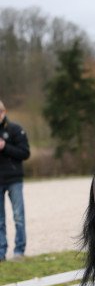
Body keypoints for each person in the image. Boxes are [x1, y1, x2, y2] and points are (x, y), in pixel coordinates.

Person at [0, 100, 30, 262]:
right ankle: (1, 253)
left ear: (4, 112)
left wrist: (5, 147)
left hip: (14, 180)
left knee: (18, 216)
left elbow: (25, 153)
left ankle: (19, 251)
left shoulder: (15, 129)